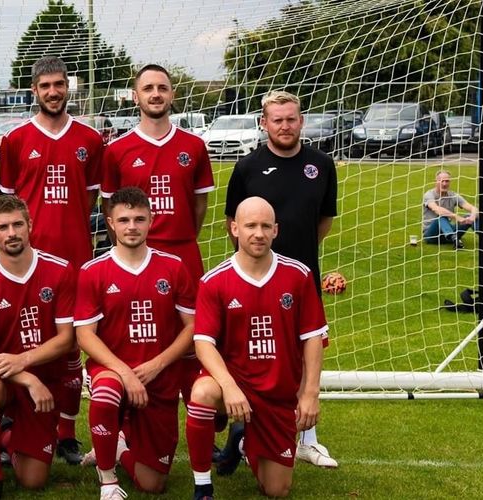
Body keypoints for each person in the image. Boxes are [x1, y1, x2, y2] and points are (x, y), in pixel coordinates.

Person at [0, 57, 104, 462]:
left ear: (67, 88)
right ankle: (10, 425)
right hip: (24, 262)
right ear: (34, 90)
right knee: (19, 339)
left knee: (72, 346)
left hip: (74, 260)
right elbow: (6, 205)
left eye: (59, 84)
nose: (53, 92)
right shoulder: (16, 139)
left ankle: (66, 432)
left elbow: (91, 198)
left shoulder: (91, 139)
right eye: (45, 86)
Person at [221, 90, 337, 468]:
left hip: (302, 275)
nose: (285, 126)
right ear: (264, 123)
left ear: (301, 121)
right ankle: (248, 428)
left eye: (291, 118)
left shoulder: (321, 164)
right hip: (256, 276)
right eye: (277, 120)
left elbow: (323, 221)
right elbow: (233, 225)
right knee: (255, 350)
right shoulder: (247, 167)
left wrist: (296, 261)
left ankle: (308, 439)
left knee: (306, 352)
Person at [185, 197, 327, 500]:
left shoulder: (299, 276)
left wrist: (310, 393)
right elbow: (203, 343)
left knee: (276, 490)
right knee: (201, 393)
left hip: (278, 393)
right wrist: (228, 385)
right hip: (233, 384)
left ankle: (241, 441)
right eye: (250, 225)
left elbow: (313, 337)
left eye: (265, 226)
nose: (258, 233)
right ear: (235, 228)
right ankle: (202, 487)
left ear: (276, 230)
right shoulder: (214, 281)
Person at [75, 187, 197, 500]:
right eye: (124, 219)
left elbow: (192, 327)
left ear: (151, 221)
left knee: (152, 484)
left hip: (159, 379)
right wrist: (125, 373)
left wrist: (158, 364)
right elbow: (85, 334)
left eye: (139, 219)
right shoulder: (93, 271)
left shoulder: (173, 267)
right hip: (113, 371)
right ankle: (108, 481)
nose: (132, 226)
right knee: (105, 395)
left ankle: (118, 447)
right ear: (111, 223)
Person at [0, 195, 77, 499]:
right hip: (5, 377)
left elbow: (68, 338)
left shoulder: (60, 270)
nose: (11, 233)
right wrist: (26, 375)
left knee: (33, 481)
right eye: (2, 227)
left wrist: (25, 360)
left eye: (17, 224)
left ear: (30, 225)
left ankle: (5, 436)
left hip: (45, 378)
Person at [101, 64, 216, 280]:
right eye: (148, 88)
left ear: (172, 94)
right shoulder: (116, 150)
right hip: (137, 255)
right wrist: (124, 245)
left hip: (184, 252)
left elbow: (200, 204)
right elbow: (108, 206)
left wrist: (186, 236)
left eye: (162, 88)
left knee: (190, 314)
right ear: (135, 97)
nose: (156, 94)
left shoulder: (194, 145)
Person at [421, 170, 483, 249]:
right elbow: (437, 209)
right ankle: (455, 239)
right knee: (441, 217)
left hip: (448, 233)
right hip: (431, 235)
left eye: (447, 181)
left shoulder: (453, 195)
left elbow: (473, 208)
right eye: (442, 181)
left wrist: (472, 217)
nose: (444, 184)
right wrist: (456, 217)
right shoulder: (429, 195)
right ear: (436, 181)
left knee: (471, 216)